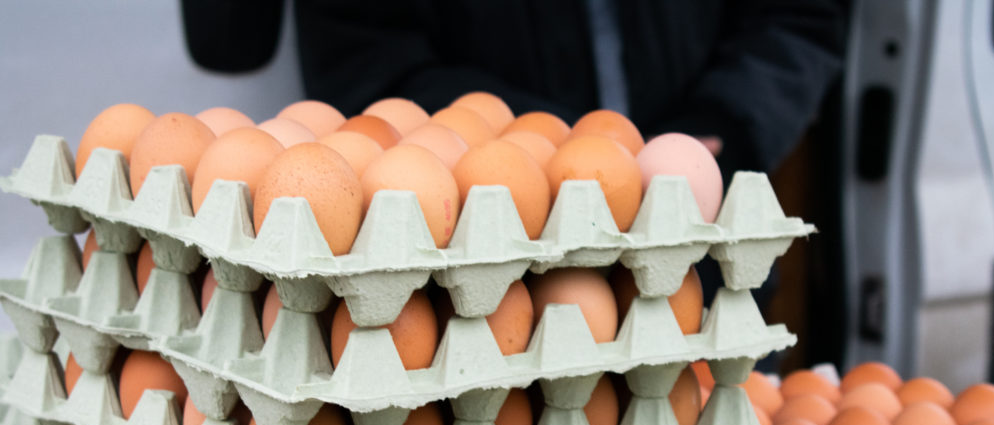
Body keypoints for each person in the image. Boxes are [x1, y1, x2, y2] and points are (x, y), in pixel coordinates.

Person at [181, 0, 847, 181]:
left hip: (695, 250)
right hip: (496, 294)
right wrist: (565, 156)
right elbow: (369, 64)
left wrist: (722, 127)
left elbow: (798, 15)